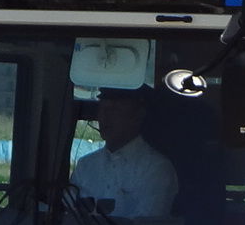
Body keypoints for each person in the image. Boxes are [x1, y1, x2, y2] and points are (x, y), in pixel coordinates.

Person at [71, 88, 178, 217]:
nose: (105, 117)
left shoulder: (156, 169)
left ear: (138, 115)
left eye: (115, 110)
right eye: (102, 109)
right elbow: (69, 215)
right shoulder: (85, 166)